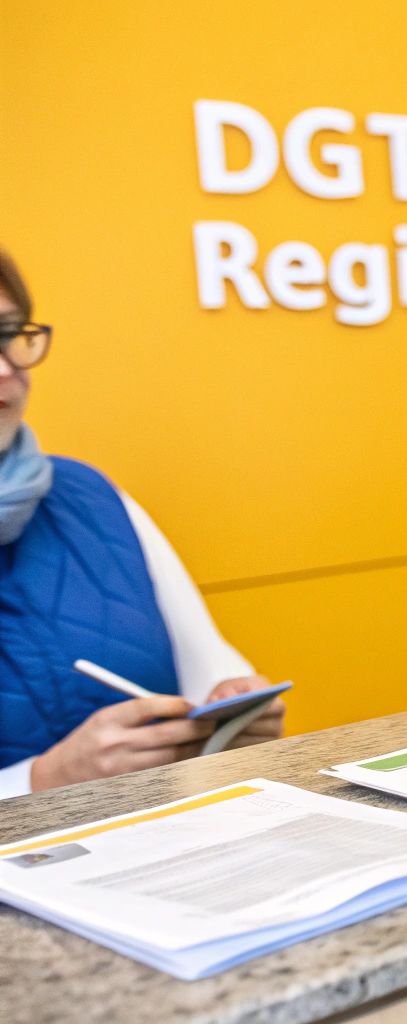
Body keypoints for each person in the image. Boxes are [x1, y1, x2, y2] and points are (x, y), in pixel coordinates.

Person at [0, 247, 284, 799]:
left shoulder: (89, 494)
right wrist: (41, 783)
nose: (5, 370)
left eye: (8, 334)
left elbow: (213, 671)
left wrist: (234, 715)